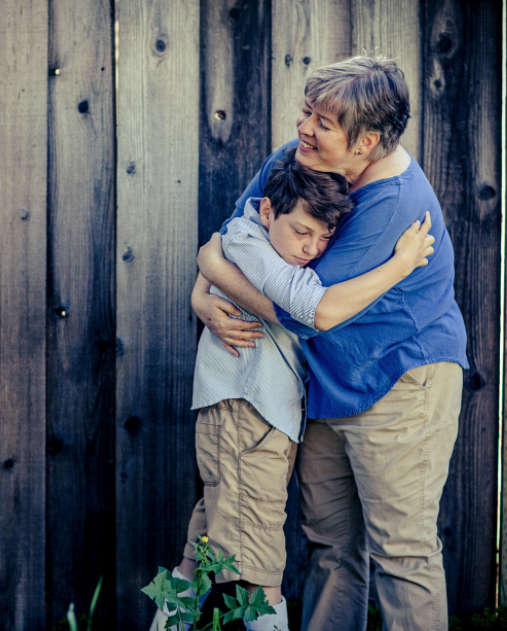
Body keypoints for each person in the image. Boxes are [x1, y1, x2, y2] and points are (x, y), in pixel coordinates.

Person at [193, 56, 468, 631]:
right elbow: (236, 233)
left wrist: (214, 270)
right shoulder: (297, 163)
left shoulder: (394, 204)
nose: (304, 128)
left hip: (399, 383)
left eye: (322, 122)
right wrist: (204, 286)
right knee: (330, 544)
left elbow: (310, 312)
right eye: (306, 113)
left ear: (365, 142)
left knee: (402, 549)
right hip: (325, 382)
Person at [150, 148, 436, 631]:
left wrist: (209, 271)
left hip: (262, 417)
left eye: (324, 237)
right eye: (302, 232)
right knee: (258, 571)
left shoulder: (260, 244)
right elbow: (308, 307)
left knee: (204, 548)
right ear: (268, 211)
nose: (311, 248)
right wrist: (400, 265)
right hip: (246, 413)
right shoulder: (248, 241)